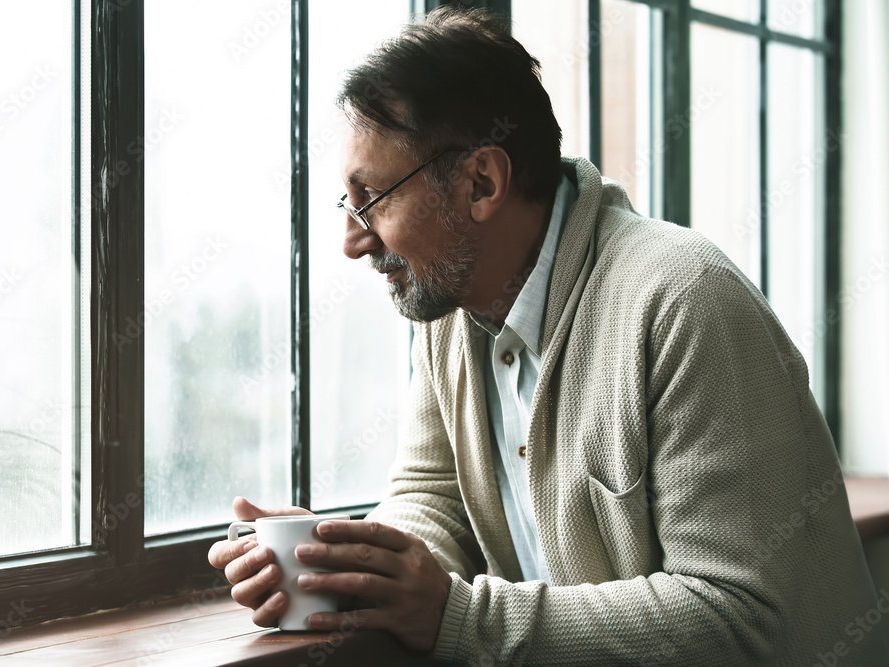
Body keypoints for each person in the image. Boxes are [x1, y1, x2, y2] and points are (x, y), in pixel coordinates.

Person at [209, 7, 888, 665]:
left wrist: (458, 618)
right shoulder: (451, 308)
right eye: (347, 201)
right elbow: (432, 499)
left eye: (372, 198)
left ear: (482, 181)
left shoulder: (684, 300)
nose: (353, 240)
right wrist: (347, 566)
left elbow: (736, 619)